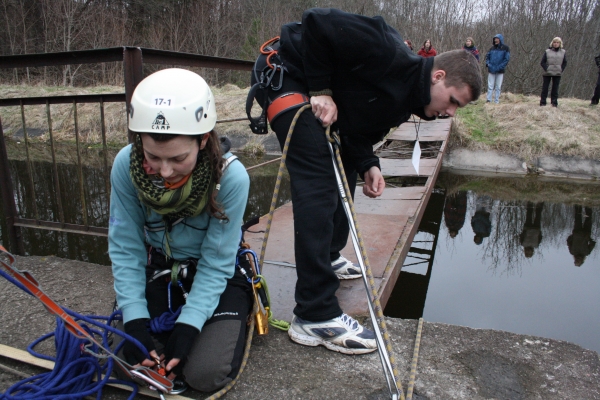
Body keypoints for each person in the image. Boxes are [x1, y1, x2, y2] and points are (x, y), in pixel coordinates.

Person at [248, 8, 481, 355]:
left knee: (345, 166)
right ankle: (315, 315)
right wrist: (322, 89)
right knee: (318, 179)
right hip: (287, 74)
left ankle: (327, 255)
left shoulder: (403, 105)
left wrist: (370, 164)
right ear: (439, 76)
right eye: (452, 102)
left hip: (312, 87)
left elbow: (354, 132)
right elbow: (316, 22)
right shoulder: (386, 48)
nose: (450, 113)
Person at [109, 68, 252, 392]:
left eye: (177, 158)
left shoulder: (230, 178)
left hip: (216, 271)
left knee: (204, 375)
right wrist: (134, 317)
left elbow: (217, 262)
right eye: (153, 157)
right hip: (162, 268)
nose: (165, 172)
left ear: (203, 139)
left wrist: (189, 325)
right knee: (128, 362)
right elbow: (126, 246)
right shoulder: (125, 167)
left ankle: (235, 313)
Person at [540, 37, 567, 107]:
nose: (556, 44)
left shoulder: (563, 52)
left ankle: (554, 103)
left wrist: (561, 69)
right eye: (554, 42)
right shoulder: (547, 51)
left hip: (557, 73)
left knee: (555, 89)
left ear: (560, 44)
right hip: (548, 73)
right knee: (545, 88)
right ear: (552, 43)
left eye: (557, 42)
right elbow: (542, 62)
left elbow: (565, 62)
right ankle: (543, 102)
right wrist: (547, 69)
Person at [485, 34, 510, 103]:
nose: (496, 40)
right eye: (495, 39)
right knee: (490, 86)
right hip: (491, 69)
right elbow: (487, 57)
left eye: (497, 39)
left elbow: (506, 59)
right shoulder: (492, 48)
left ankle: (496, 101)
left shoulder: (506, 48)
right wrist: (488, 64)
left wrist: (500, 67)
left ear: (500, 39)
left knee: (498, 86)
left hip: (500, 70)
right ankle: (488, 100)